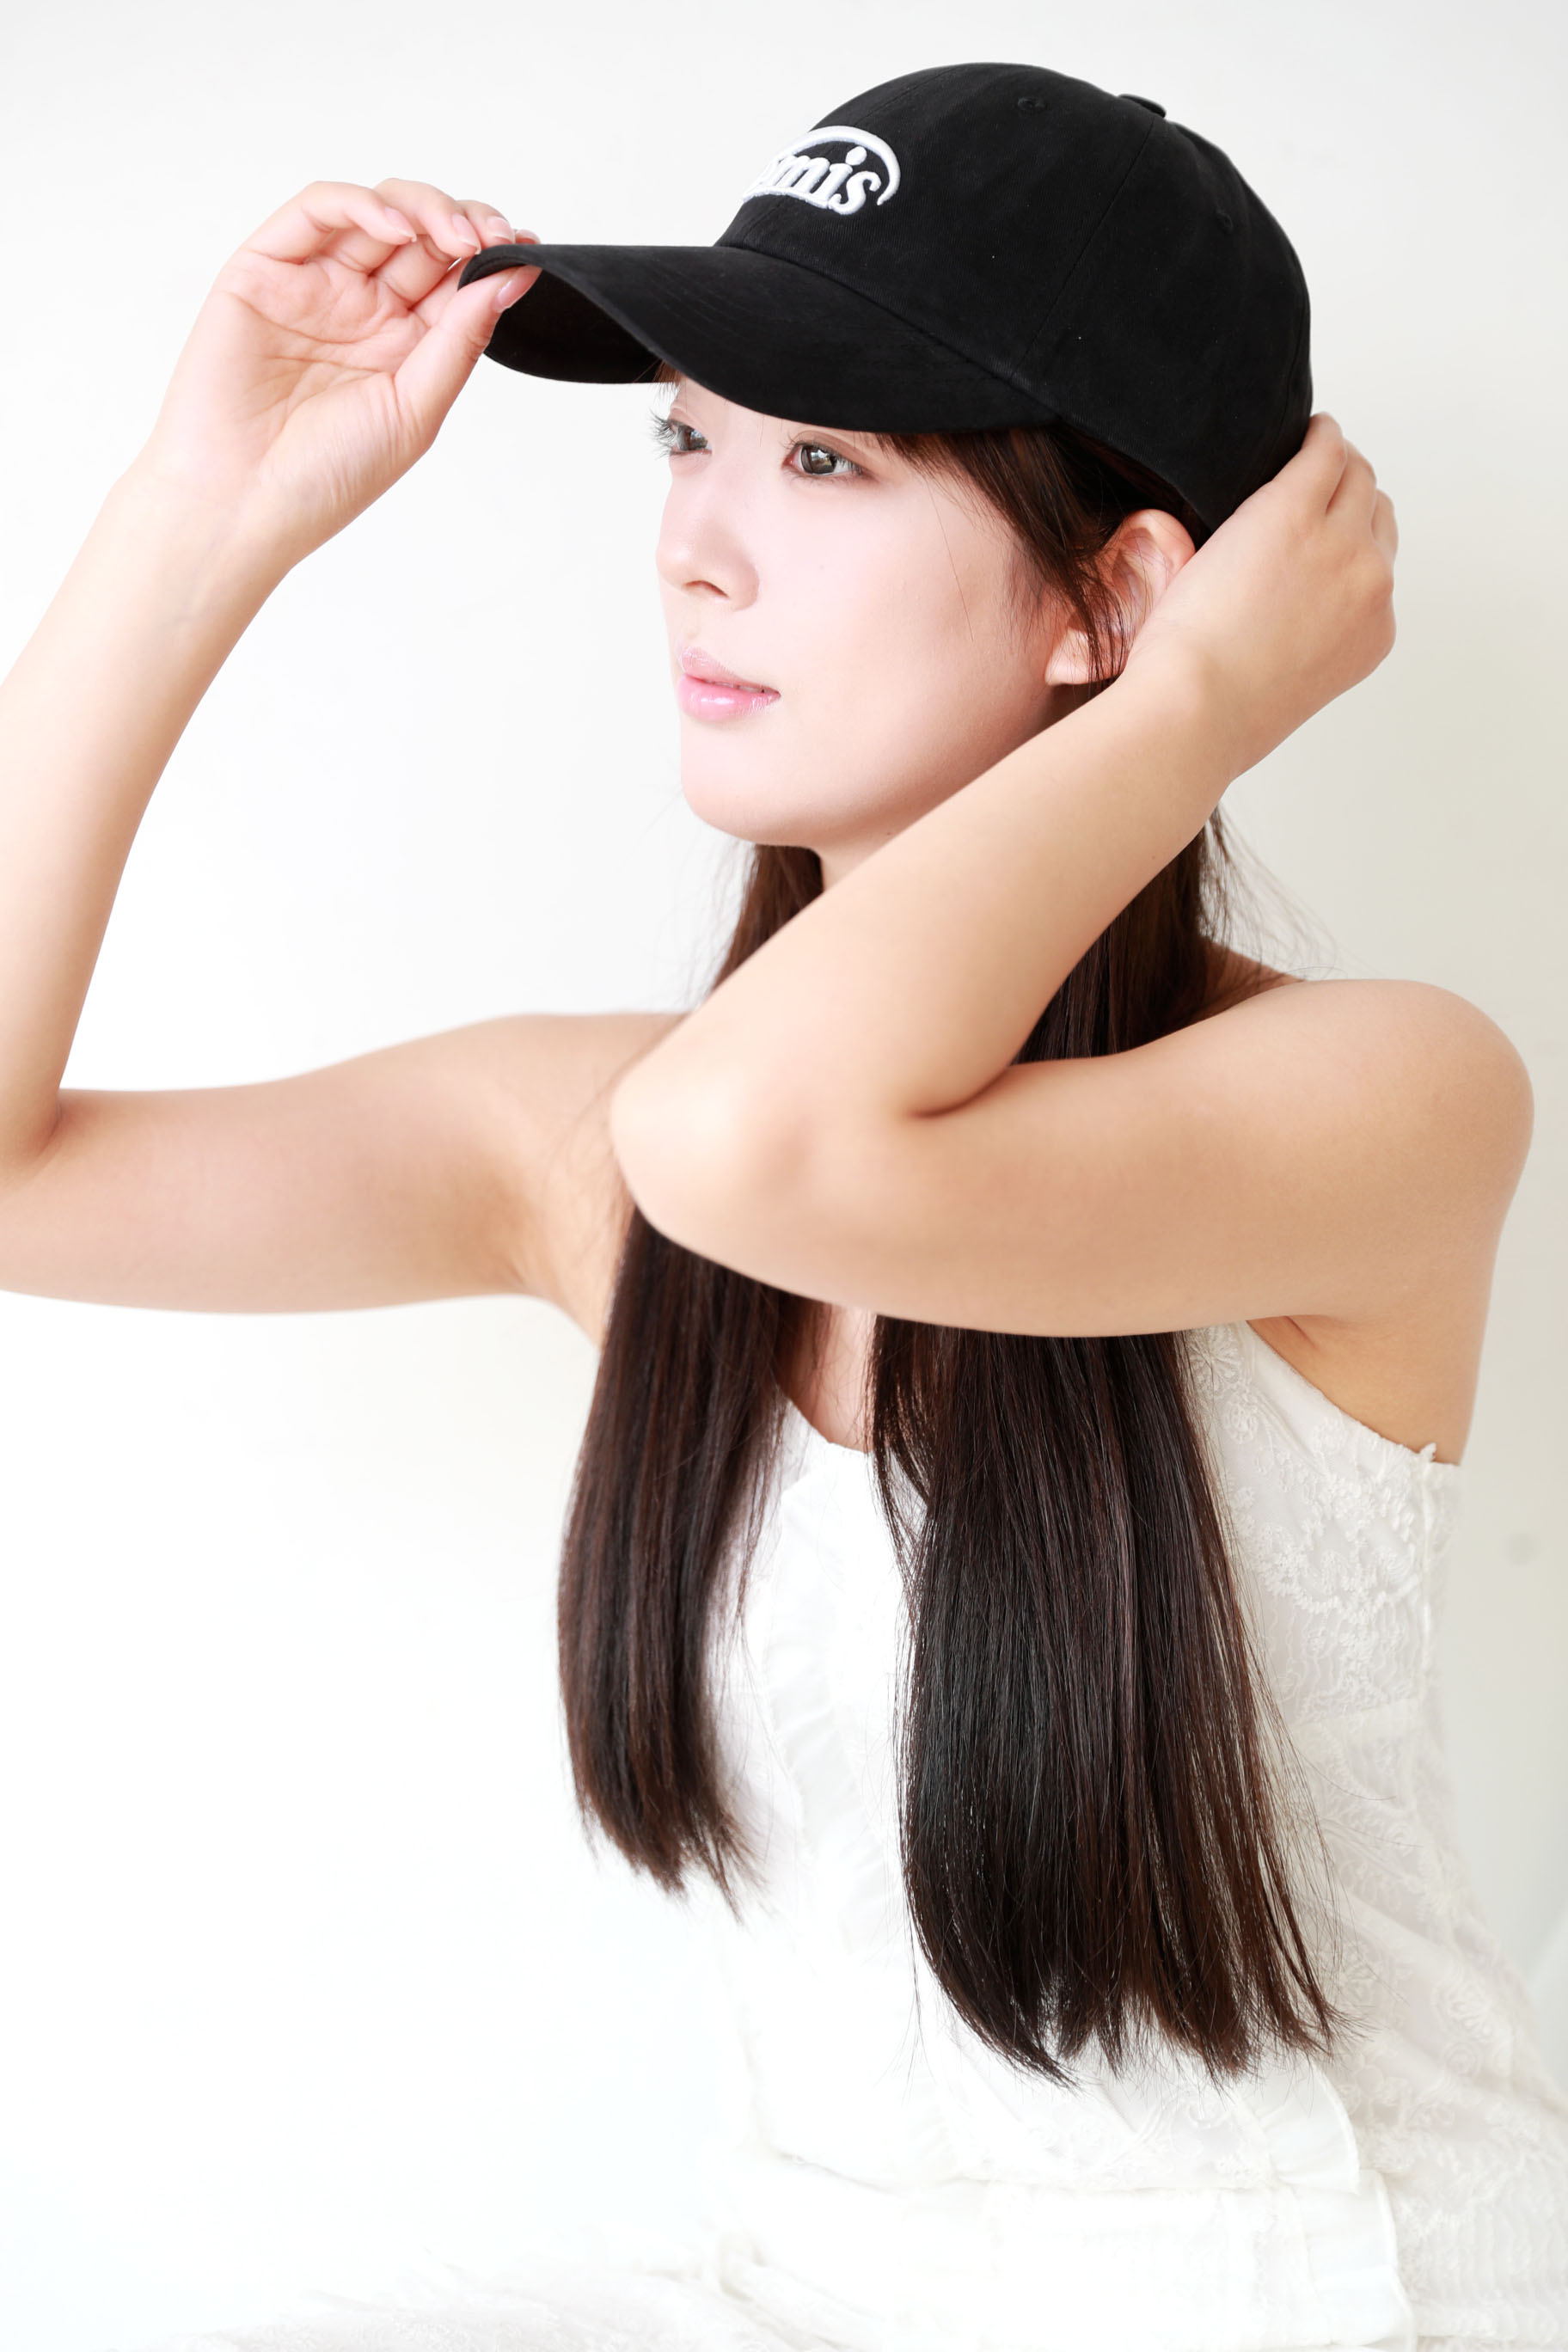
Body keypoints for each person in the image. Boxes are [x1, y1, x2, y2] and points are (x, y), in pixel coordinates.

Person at [2, 57, 1564, 2352]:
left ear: (1116, 591)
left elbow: (760, 1150)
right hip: (806, 2295)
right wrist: (198, 511)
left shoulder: (1382, 1097)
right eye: (687, 439)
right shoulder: (608, 1137)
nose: (697, 545)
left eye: (823, 461)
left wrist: (1197, 706)